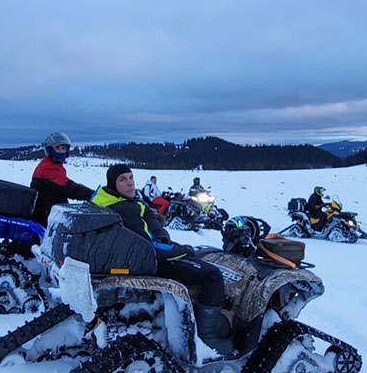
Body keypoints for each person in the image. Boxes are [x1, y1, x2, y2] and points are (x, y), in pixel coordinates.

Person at [94, 164, 234, 355]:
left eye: (131, 177)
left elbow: (148, 222)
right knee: (213, 274)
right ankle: (206, 338)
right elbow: (148, 248)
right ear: (112, 184)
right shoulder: (123, 209)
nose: (130, 183)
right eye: (122, 180)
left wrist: (161, 235)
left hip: (139, 257)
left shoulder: (117, 201)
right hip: (148, 262)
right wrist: (184, 250)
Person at [30, 132, 95, 228]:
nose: (60, 151)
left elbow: (64, 183)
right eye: (57, 148)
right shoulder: (48, 168)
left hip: (53, 211)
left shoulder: (54, 165)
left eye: (63, 148)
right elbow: (68, 187)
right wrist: (91, 194)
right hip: (46, 215)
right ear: (50, 150)